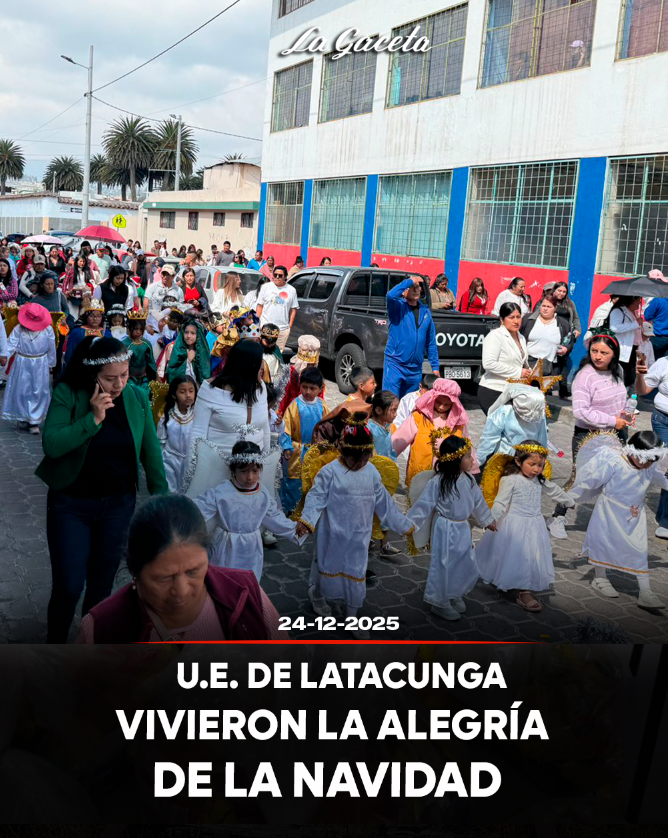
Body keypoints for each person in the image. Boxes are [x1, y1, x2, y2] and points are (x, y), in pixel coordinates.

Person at [36, 336, 167, 642]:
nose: (119, 384)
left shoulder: (135, 396)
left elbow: (151, 450)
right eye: (110, 378)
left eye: (124, 374)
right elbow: (52, 445)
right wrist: (92, 419)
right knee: (69, 585)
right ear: (93, 373)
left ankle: (89, 646)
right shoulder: (69, 392)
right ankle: (54, 645)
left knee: (101, 585)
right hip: (70, 505)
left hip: (118, 506)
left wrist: (162, 499)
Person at [77, 494, 285, 642]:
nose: (182, 590)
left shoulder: (245, 593)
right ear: (134, 571)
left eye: (193, 571)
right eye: (164, 578)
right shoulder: (102, 629)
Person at [295, 415, 413, 638]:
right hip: (332, 534)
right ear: (343, 451)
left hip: (359, 536)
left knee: (356, 573)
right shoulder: (330, 472)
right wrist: (307, 521)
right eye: (354, 459)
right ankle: (317, 595)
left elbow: (384, 503)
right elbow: (316, 497)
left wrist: (404, 525)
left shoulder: (371, 473)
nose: (359, 464)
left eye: (364, 459)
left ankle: (352, 617)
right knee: (325, 567)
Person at [568, 430, 667, 610]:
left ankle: (645, 591)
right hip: (609, 512)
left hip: (634, 516)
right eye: (646, 460)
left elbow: (663, 481)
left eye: (653, 461)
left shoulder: (649, 467)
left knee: (639, 549)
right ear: (634, 453)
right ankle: (600, 578)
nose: (648, 465)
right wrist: (571, 496)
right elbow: (592, 480)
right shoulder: (615, 462)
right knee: (603, 543)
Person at [548, 329, 630, 540]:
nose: (598, 356)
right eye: (594, 351)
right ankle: (557, 517)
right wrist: (613, 420)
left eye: (604, 352)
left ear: (614, 354)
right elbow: (581, 412)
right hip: (588, 435)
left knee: (615, 479)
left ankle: (611, 523)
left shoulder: (617, 370)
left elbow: (621, 397)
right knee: (579, 479)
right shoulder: (585, 376)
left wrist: (625, 413)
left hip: (616, 434)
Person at [476, 441, 575, 613]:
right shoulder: (510, 480)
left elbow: (555, 491)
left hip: (534, 525)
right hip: (513, 525)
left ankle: (524, 590)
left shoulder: (540, 480)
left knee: (529, 556)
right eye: (532, 464)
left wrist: (569, 501)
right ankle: (516, 587)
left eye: (540, 465)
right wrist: (491, 519)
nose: (536, 469)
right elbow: (500, 502)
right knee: (511, 555)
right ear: (518, 461)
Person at [406, 436, 497, 621]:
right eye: (468, 457)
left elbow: (478, 503)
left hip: (463, 528)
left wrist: (487, 520)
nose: (472, 460)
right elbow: (424, 504)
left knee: (462, 562)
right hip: (444, 528)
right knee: (443, 564)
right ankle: (440, 602)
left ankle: (454, 592)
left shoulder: (469, 479)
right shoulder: (439, 481)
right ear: (455, 459)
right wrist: (409, 524)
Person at [195, 439, 301, 582]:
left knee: (249, 580)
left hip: (252, 546)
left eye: (255, 471)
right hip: (227, 546)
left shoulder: (262, 494)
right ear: (233, 470)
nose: (250, 477)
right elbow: (198, 510)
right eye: (243, 471)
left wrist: (297, 530)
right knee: (225, 581)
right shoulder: (222, 492)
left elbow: (274, 518)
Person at [192, 339, 270, 455]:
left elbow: (265, 429)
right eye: (259, 361)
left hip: (253, 470)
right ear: (247, 366)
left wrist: (266, 462)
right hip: (216, 467)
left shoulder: (261, 387)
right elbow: (197, 435)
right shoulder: (210, 390)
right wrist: (192, 471)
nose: (263, 366)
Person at [392, 378, 472, 487]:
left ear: (453, 404)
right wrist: (385, 458)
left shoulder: (459, 422)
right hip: (421, 474)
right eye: (438, 402)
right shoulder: (418, 416)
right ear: (432, 398)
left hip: (448, 476)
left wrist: (473, 470)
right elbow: (399, 440)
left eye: (446, 405)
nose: (441, 407)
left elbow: (467, 447)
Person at [1, 302, 56, 433]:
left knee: (38, 390)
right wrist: (4, 356)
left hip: (40, 363)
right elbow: (11, 344)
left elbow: (51, 347)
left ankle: (34, 420)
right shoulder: (19, 329)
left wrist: (51, 363)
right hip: (22, 362)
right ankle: (23, 416)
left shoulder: (47, 329)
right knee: (22, 390)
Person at [382, 274, 439, 398]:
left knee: (409, 406)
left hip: (415, 369)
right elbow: (390, 295)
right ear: (403, 292)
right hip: (395, 364)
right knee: (390, 403)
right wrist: (410, 280)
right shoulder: (397, 307)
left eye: (418, 287)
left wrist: (435, 366)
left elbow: (431, 342)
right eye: (412, 287)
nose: (416, 289)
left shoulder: (426, 312)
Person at [280, 365, 327, 514]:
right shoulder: (294, 405)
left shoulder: (322, 406)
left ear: (320, 389)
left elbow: (328, 428)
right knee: (293, 483)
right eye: (304, 387)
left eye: (312, 388)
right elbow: (285, 428)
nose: (307, 392)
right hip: (296, 452)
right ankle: (291, 511)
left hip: (315, 452)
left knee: (313, 481)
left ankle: (310, 511)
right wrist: (287, 446)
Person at [633, 350, 668, 539]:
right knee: (666, 466)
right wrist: (640, 375)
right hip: (664, 420)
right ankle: (665, 520)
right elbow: (642, 390)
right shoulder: (663, 363)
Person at [476, 383, 548, 466]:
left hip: (520, 458)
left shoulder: (539, 413)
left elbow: (489, 438)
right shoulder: (505, 411)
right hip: (513, 458)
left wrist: (478, 460)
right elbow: (489, 438)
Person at [478, 302, 530, 414]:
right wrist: (518, 372)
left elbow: (521, 361)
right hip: (494, 390)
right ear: (502, 319)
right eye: (511, 317)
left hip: (513, 391)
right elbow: (489, 364)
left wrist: (528, 371)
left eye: (518, 317)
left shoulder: (521, 337)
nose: (516, 321)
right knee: (500, 428)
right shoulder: (495, 336)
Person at [157, 374, 197, 493]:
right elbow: (161, 441)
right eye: (183, 392)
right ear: (174, 395)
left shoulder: (198, 414)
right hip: (171, 459)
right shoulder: (167, 416)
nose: (188, 395)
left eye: (191, 391)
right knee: (171, 490)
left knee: (189, 490)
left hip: (191, 459)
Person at [520, 293, 570, 375]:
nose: (545, 309)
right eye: (543, 306)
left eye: (549, 307)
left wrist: (566, 349)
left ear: (555, 308)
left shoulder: (563, 324)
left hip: (551, 365)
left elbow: (569, 341)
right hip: (529, 363)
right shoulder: (528, 319)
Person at [256, 264, 299, 351]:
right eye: (275, 275)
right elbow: (260, 306)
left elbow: (293, 309)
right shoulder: (265, 287)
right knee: (263, 351)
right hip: (266, 326)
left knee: (278, 353)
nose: (277, 277)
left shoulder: (291, 290)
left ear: (285, 277)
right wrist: (258, 323)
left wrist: (289, 327)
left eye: (280, 276)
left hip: (282, 329)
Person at [609, 295, 643, 386]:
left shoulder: (634, 312)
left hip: (633, 348)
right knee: (620, 375)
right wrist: (635, 324)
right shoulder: (618, 311)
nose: (640, 303)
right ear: (633, 300)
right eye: (639, 300)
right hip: (622, 348)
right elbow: (614, 328)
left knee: (630, 377)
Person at [166, 319, 211, 385]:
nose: (188, 336)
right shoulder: (177, 350)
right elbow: (171, 372)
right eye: (186, 332)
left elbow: (205, 373)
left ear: (198, 335)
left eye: (192, 333)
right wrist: (188, 361)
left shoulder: (202, 353)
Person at [122, 310, 157, 392]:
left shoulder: (146, 344)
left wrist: (155, 377)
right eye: (135, 329)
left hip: (144, 377)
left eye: (141, 329)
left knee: (145, 393)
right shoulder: (124, 345)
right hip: (129, 378)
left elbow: (151, 362)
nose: (138, 332)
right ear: (129, 327)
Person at [62, 254, 95, 319]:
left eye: (83, 261)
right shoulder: (71, 269)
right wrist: (65, 292)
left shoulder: (87, 270)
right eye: (80, 261)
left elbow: (92, 281)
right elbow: (65, 282)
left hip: (85, 294)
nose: (82, 263)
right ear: (77, 261)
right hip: (74, 294)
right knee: (74, 312)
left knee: (84, 311)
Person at [641, 291, 668, 360]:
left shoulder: (658, 300)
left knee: (654, 362)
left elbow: (647, 316)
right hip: (661, 336)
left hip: (658, 337)